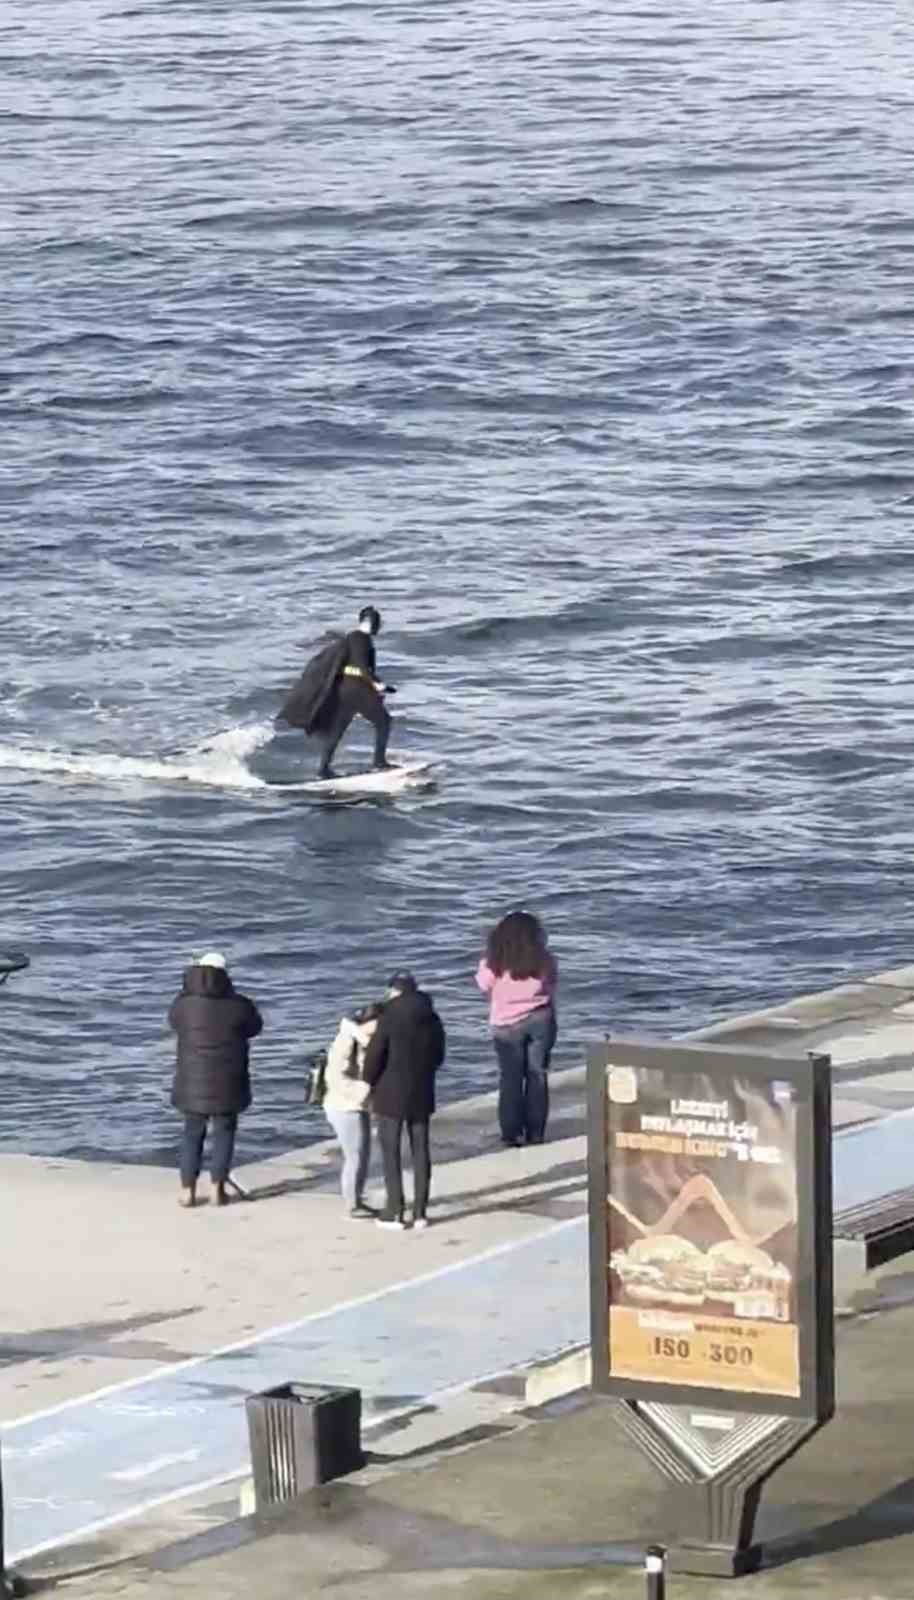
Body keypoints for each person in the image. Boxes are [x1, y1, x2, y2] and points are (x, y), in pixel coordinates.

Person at [168, 951, 263, 1209]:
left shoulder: (183, 1004)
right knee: (224, 1134)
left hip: (191, 1082)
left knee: (191, 1134)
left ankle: (187, 1191)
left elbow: (173, 1023)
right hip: (229, 1082)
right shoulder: (240, 1004)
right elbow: (255, 1027)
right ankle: (217, 1189)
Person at [362, 972, 446, 1231]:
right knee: (421, 1150)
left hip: (391, 1093)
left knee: (391, 1152)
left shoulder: (389, 1017)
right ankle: (420, 1212)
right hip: (422, 1090)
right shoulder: (431, 1017)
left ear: (394, 992)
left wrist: (369, 1080)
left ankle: (395, 1210)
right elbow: (439, 1055)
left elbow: (375, 1055)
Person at [277, 606, 396, 779]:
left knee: (337, 730)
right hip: (357, 690)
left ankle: (323, 769)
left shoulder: (351, 639)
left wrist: (375, 684)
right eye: (378, 622)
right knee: (384, 721)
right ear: (371, 622)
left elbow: (354, 667)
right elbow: (361, 667)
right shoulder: (360, 638)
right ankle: (379, 762)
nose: (379, 627)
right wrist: (376, 685)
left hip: (345, 691)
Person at [476, 911, 558, 1147]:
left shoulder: (494, 963)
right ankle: (536, 1132)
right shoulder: (544, 960)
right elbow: (551, 986)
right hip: (540, 1018)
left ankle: (511, 1133)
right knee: (537, 1075)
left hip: (505, 1024)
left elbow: (483, 985)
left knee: (510, 1079)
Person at [323, 1002, 383, 1219]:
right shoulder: (347, 1041)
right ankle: (353, 1203)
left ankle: (355, 1199)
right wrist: (363, 1091)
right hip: (344, 1106)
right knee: (355, 1156)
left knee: (360, 1155)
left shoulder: (362, 1040)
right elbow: (335, 1078)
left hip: (355, 1105)